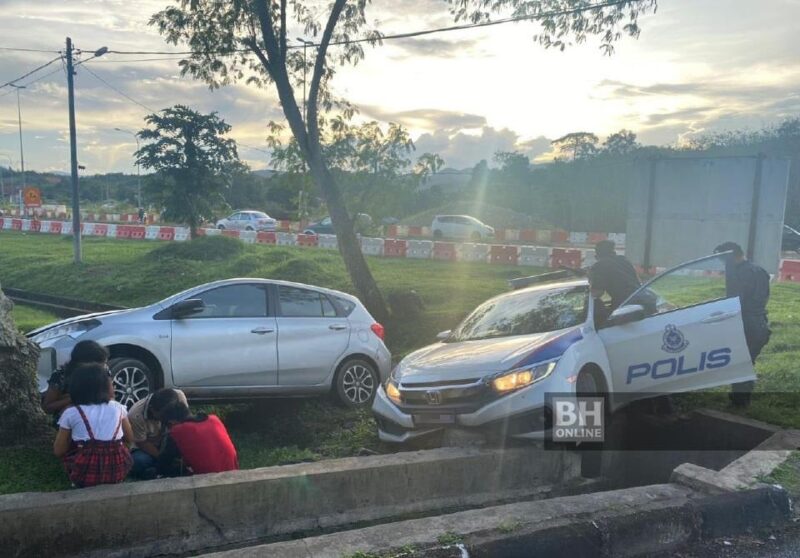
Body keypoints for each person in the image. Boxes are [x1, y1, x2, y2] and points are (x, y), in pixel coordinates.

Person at [53, 363, 134, 488]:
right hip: (118, 469)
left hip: (84, 473)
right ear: (107, 387)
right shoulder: (118, 408)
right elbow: (129, 439)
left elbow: (59, 451)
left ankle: (76, 479)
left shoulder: (71, 413)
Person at [714, 242, 771, 407]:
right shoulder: (759, 271)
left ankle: (740, 402)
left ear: (730, 256)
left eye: (723, 259)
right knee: (746, 361)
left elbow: (734, 302)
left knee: (741, 363)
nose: (723, 264)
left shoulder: (740, 273)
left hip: (746, 324)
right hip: (760, 323)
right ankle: (740, 399)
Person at [156, 399, 238, 477]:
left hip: (209, 481)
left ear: (172, 422)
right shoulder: (213, 419)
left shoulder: (178, 431)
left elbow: (163, 464)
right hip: (233, 473)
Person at [42, 340, 110, 422]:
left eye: (104, 363)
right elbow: (47, 407)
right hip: (69, 419)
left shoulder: (103, 371)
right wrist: (73, 398)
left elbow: (110, 397)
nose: (104, 367)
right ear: (84, 363)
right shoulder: (61, 375)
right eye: (101, 364)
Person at [127, 388, 187, 479]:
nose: (166, 418)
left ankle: (161, 469)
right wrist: (163, 458)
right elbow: (142, 443)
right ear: (153, 409)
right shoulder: (135, 414)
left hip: (171, 441)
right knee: (139, 461)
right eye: (163, 415)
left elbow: (186, 422)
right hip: (148, 448)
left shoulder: (179, 397)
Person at [588, 240, 642, 325]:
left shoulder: (600, 266)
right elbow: (637, 280)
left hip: (624, 307)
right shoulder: (624, 260)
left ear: (597, 255)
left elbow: (596, 293)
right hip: (642, 300)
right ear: (613, 251)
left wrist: (591, 279)